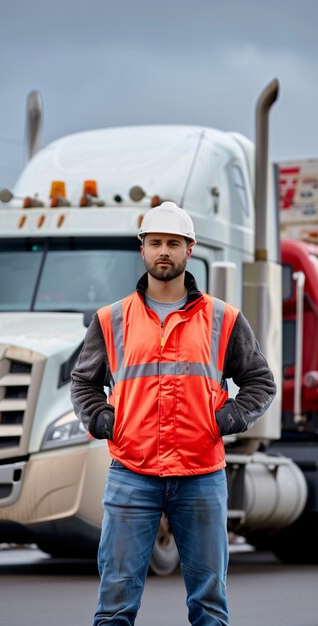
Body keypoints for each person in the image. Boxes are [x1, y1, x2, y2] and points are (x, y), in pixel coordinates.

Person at [70, 201, 276, 626]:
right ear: (143, 249)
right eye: (156, 242)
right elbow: (83, 383)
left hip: (201, 475)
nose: (165, 251)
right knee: (114, 605)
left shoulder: (223, 318)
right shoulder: (112, 319)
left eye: (174, 243)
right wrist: (106, 421)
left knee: (209, 605)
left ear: (190, 249)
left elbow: (260, 382)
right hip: (132, 472)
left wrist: (224, 421)